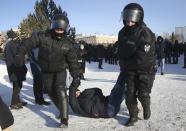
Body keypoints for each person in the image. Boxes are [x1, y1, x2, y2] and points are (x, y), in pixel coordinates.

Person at [15, 14, 80, 128]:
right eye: (57, 29)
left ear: (65, 29)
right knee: (50, 91)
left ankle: (64, 119)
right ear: (53, 27)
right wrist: (20, 53)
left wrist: (76, 76)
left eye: (62, 29)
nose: (59, 31)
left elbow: (73, 62)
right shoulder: (43, 36)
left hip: (60, 70)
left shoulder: (68, 43)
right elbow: (29, 43)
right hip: (46, 71)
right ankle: (61, 108)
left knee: (61, 90)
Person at [118, 3, 156, 126]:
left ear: (139, 18)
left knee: (143, 95)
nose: (129, 23)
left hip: (146, 71)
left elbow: (144, 60)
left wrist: (126, 63)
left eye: (132, 20)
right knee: (129, 95)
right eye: (127, 19)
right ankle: (133, 116)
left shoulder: (146, 33)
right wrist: (120, 60)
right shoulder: (122, 33)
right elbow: (122, 52)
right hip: (130, 70)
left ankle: (146, 107)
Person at [4, 30, 28, 110]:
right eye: (15, 36)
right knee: (18, 86)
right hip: (16, 68)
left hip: (12, 68)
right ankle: (13, 103)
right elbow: (18, 55)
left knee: (16, 85)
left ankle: (17, 101)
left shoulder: (7, 45)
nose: (16, 37)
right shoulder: (12, 45)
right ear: (13, 36)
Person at [28, 30, 50, 105]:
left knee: (36, 83)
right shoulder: (35, 44)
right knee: (39, 83)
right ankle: (40, 99)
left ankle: (38, 99)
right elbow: (37, 56)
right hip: (38, 66)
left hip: (34, 66)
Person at [0, 32, 14, 131]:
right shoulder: (9, 45)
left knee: (7, 119)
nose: (2, 38)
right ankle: (15, 102)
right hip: (14, 69)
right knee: (6, 119)